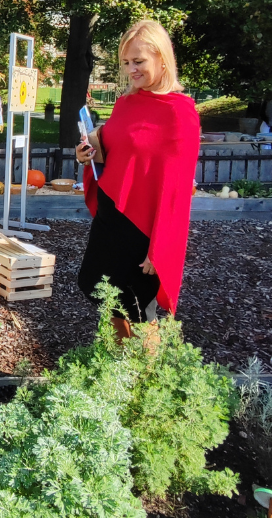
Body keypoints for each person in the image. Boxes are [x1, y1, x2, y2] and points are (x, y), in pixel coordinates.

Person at [75, 20, 200, 339]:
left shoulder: (180, 113)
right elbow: (116, 150)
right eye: (126, 62)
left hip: (143, 228)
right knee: (102, 292)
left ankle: (145, 370)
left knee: (139, 309)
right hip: (111, 217)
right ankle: (120, 362)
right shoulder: (125, 104)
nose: (131, 69)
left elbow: (177, 189)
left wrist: (160, 248)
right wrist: (87, 153)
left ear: (162, 59)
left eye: (139, 61)